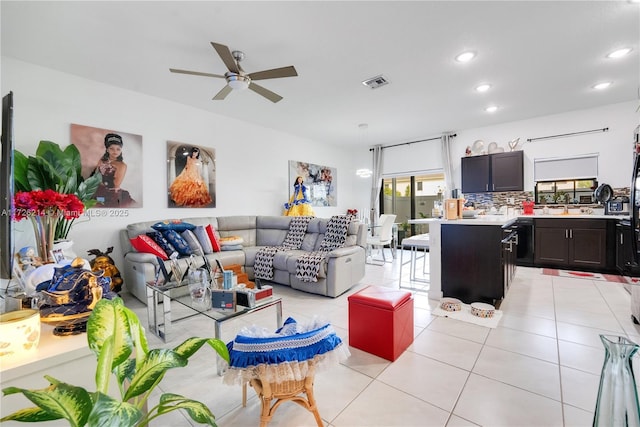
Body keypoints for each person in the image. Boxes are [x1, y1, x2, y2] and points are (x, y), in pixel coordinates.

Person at [93, 133, 135, 207]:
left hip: (112, 194)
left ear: (121, 150)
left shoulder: (122, 165)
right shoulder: (102, 160)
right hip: (98, 190)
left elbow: (116, 184)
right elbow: (96, 174)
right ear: (107, 149)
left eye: (118, 149)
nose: (115, 151)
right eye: (111, 148)